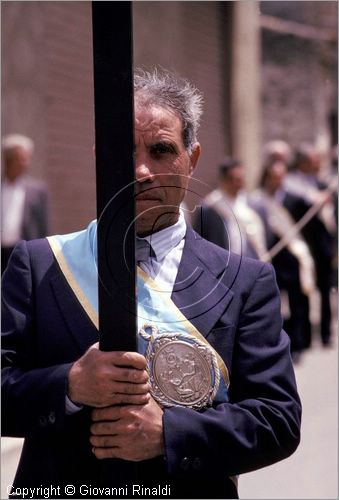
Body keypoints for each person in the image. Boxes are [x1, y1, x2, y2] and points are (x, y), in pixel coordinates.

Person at [2, 68, 301, 499]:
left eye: (161, 150)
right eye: (125, 150)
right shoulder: (40, 264)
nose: (140, 170)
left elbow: (278, 420)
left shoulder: (246, 282)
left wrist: (169, 434)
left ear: (192, 159)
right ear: (98, 154)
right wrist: (69, 384)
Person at [250, 160, 315, 360]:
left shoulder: (294, 199)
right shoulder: (258, 200)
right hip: (273, 258)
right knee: (276, 303)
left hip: (292, 257)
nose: (278, 181)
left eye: (281, 176)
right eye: (274, 176)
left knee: (298, 301)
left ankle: (300, 342)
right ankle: (280, 342)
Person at [284, 144, 336, 347]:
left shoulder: (322, 184)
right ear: (303, 162)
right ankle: (304, 336)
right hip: (302, 245)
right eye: (314, 159)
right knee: (304, 290)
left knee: (325, 288)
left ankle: (325, 333)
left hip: (322, 247)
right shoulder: (292, 184)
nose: (317, 163)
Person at [194, 158, 267, 260]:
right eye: (232, 179)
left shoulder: (255, 206)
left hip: (250, 264)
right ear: (223, 180)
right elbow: (200, 241)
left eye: (240, 179)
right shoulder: (209, 208)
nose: (237, 183)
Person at [1, 134, 49, 274]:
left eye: (27, 158)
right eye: (21, 158)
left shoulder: (38, 191)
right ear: (8, 159)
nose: (26, 163)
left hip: (23, 253)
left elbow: (44, 228)